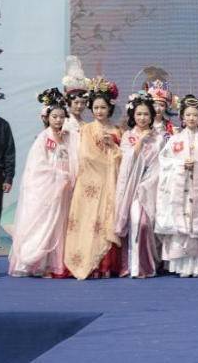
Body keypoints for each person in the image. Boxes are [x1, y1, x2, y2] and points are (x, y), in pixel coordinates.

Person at [156, 95, 198, 277]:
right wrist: (181, 165)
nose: (191, 118)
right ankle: (181, 265)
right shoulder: (174, 140)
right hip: (180, 191)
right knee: (182, 223)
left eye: (195, 115)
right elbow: (164, 162)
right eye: (188, 115)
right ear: (182, 117)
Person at [8, 89, 75, 278]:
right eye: (54, 117)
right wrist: (59, 175)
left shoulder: (68, 137)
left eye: (61, 117)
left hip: (63, 189)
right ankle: (31, 262)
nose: (58, 120)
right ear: (47, 118)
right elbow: (37, 167)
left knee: (58, 225)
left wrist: (68, 176)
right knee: (43, 224)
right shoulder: (43, 138)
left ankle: (50, 265)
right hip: (47, 190)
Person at [64, 77, 125, 279]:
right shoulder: (86, 129)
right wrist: (105, 160)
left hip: (110, 182)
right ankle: (89, 263)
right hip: (90, 183)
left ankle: (106, 265)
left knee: (106, 221)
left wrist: (113, 147)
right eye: (96, 107)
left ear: (110, 108)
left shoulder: (117, 130)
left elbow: (124, 157)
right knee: (88, 222)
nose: (99, 111)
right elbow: (85, 156)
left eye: (103, 107)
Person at [114, 93, 164, 278]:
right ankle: (134, 266)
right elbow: (127, 161)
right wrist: (141, 140)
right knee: (137, 222)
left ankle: (148, 265)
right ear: (133, 115)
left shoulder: (159, 138)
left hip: (152, 187)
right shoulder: (128, 136)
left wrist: (151, 180)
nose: (142, 118)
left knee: (148, 225)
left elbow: (162, 163)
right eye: (139, 114)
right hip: (133, 188)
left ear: (152, 116)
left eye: (146, 114)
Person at [62, 55, 88, 134]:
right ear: (69, 102)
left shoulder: (85, 124)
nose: (79, 106)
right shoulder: (63, 121)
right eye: (76, 102)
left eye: (83, 103)